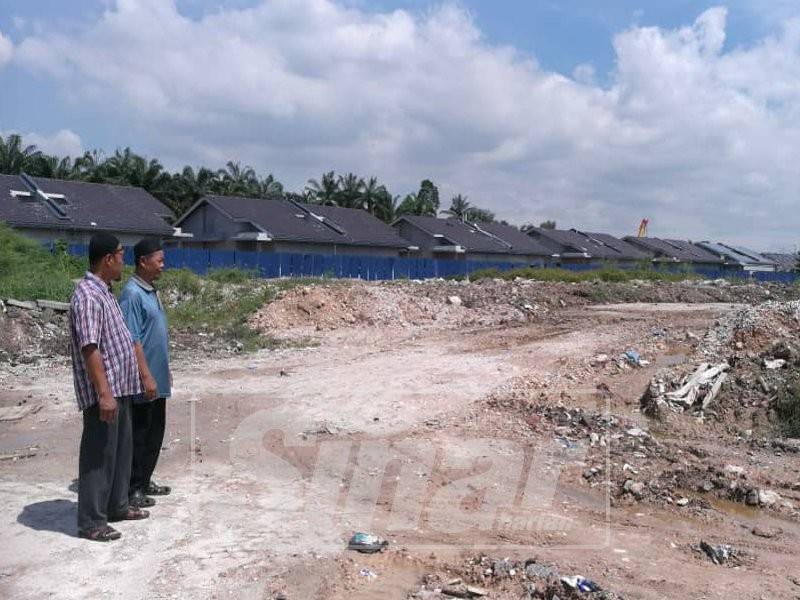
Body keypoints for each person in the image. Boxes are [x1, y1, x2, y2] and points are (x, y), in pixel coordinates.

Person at [70, 233, 150, 542]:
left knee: (120, 452)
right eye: (120, 254)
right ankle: (91, 521)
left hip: (121, 388)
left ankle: (117, 505)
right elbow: (90, 348)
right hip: (106, 392)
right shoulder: (88, 296)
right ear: (108, 259)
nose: (123, 260)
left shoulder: (104, 291)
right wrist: (103, 393)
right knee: (99, 455)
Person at [120, 238, 172, 510]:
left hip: (159, 378)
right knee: (140, 434)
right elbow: (133, 339)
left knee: (155, 432)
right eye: (159, 260)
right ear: (143, 261)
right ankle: (133, 488)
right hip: (144, 380)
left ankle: (145, 479)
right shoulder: (132, 293)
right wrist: (146, 375)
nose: (163, 265)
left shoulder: (151, 290)